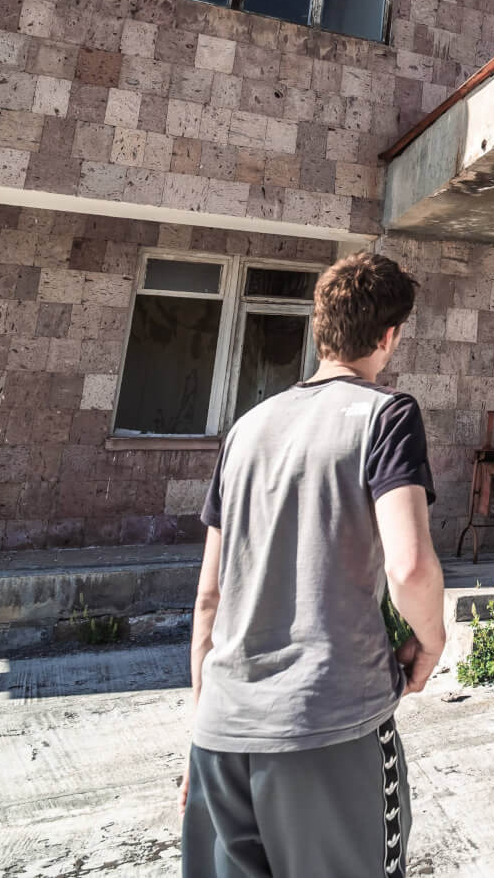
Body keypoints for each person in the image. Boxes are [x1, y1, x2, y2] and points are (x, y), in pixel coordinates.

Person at [181, 251, 446, 878]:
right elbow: (409, 568)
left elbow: (208, 600)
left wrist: (201, 729)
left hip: (221, 733)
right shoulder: (388, 415)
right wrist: (430, 642)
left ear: (318, 330)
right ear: (388, 337)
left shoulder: (246, 429)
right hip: (329, 728)